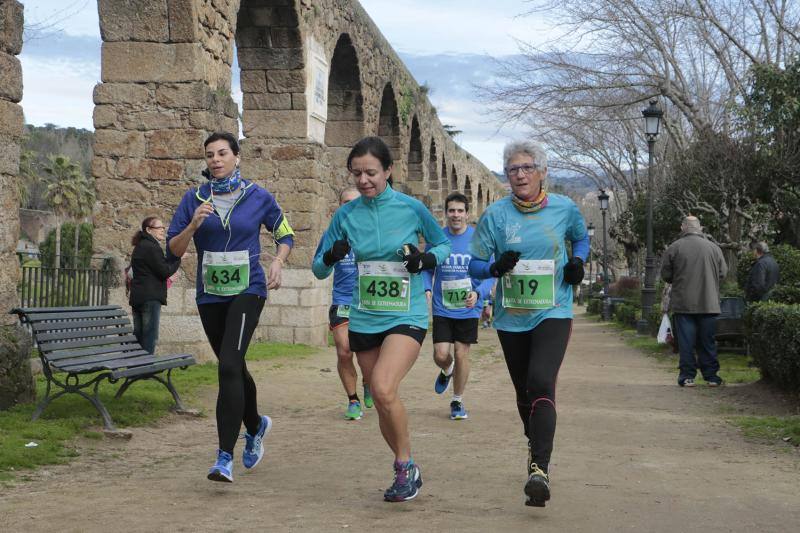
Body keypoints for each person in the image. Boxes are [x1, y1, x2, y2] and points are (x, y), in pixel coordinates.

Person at [312, 136, 450, 502]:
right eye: (356, 173)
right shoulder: (345, 215)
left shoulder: (410, 207)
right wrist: (332, 255)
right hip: (365, 317)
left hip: (407, 314)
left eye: (371, 172)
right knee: (381, 399)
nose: (363, 180)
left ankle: (403, 467)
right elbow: (318, 268)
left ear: (388, 171)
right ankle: (408, 464)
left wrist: (424, 260)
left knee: (385, 389)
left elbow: (443, 243)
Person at [166, 131, 295, 483]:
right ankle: (255, 425)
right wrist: (193, 224)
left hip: (249, 289)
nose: (216, 160)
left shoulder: (258, 196)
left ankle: (224, 457)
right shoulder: (193, 199)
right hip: (210, 293)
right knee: (233, 365)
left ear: (237, 157)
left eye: (223, 153)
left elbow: (285, 233)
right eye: (210, 155)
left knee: (228, 367)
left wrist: (279, 261)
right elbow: (174, 251)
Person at [468, 140, 588, 508]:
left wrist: (577, 263)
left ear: (542, 172)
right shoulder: (496, 215)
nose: (519, 175)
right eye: (512, 170)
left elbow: (581, 239)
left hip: (554, 309)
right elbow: (474, 264)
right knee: (524, 393)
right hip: (511, 317)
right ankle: (535, 443)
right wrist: (493, 268)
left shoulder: (565, 209)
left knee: (540, 381)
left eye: (526, 168)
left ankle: (540, 469)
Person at [423, 192, 494, 420]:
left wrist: (478, 293)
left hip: (468, 306)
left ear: (467, 213)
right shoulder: (437, 239)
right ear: (446, 213)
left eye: (460, 211)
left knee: (462, 353)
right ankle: (447, 369)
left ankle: (457, 401)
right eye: (451, 210)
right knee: (441, 354)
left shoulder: (478, 240)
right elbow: (427, 267)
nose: (456, 215)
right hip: (443, 306)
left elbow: (491, 274)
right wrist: (426, 287)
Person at [314, 187, 373, 420]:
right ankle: (353, 399)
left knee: (367, 356)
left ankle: (369, 382)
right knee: (345, 351)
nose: (349, 207)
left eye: (354, 202)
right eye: (345, 202)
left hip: (369, 303)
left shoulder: (372, 233)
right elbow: (319, 268)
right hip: (342, 301)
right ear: (339, 207)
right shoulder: (332, 234)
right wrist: (330, 257)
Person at [660, 216, 727, 388]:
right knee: (707, 341)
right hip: (709, 302)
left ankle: (687, 376)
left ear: (683, 227)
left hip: (684, 303)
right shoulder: (714, 248)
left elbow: (666, 275)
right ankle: (711, 376)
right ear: (700, 228)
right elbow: (723, 273)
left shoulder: (674, 248)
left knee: (686, 343)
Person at [129, 216, 181, 354]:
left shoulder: (140, 246)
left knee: (138, 335)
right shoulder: (152, 247)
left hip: (138, 297)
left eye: (163, 228)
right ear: (148, 230)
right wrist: (178, 260)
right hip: (150, 298)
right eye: (159, 228)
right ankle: (145, 368)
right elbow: (165, 271)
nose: (163, 230)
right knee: (149, 336)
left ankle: (133, 367)